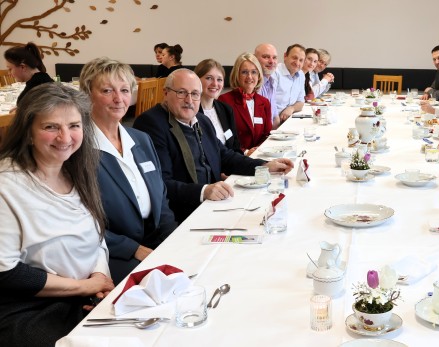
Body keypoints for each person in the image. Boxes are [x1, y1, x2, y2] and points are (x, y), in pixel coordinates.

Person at [0, 84, 114, 346]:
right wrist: (85, 287)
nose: (65, 138)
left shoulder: (78, 170)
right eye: (51, 127)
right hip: (30, 307)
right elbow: (5, 273)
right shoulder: (7, 185)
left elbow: (96, 238)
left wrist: (100, 281)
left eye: (74, 125)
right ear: (28, 132)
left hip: (85, 293)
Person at [133, 69, 293, 222]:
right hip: (184, 212)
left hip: (215, 203)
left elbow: (224, 155)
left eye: (195, 94)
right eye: (181, 93)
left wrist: (265, 166)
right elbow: (159, 183)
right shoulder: (151, 124)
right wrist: (204, 191)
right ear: (166, 93)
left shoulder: (202, 121)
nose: (189, 100)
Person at [79, 57, 178, 284]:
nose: (118, 98)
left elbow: (160, 198)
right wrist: (133, 249)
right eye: (107, 90)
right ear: (87, 95)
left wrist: (172, 238)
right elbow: (81, 221)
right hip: (111, 252)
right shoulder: (79, 149)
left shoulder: (140, 140)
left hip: (153, 242)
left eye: (124, 90)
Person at [217, 53, 272, 153]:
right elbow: (226, 137)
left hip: (260, 155)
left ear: (259, 75)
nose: (249, 77)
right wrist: (246, 152)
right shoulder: (224, 100)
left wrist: (258, 150)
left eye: (254, 72)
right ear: (237, 75)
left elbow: (267, 135)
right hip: (237, 158)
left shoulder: (264, 102)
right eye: (244, 72)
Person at [194, 59, 243, 154]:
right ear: (197, 80)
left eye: (219, 79)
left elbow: (235, 147)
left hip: (229, 165)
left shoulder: (226, 110)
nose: (215, 84)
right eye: (209, 78)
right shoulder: (191, 113)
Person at [271, 43, 306, 127]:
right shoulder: (275, 72)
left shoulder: (301, 74)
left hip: (289, 120)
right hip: (273, 122)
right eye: (294, 58)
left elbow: (301, 102)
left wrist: (291, 108)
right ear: (285, 56)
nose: (297, 63)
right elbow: (268, 102)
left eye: (301, 60)